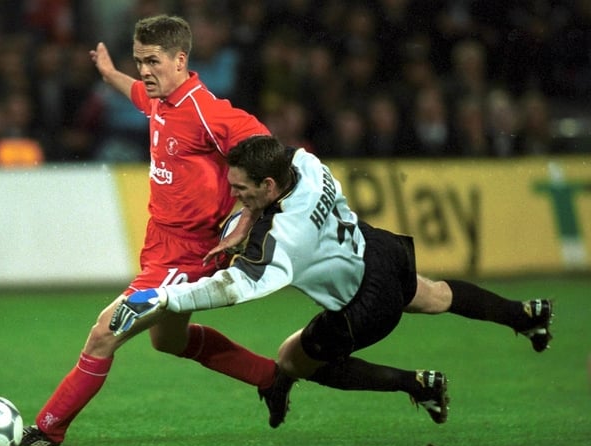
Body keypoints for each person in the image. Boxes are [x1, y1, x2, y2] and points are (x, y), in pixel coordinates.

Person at [110, 135, 554, 429]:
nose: (236, 198)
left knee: (290, 361)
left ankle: (420, 384)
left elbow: (231, 288)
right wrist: (248, 215)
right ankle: (525, 314)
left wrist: (162, 296)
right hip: (377, 252)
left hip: (362, 302)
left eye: (243, 190)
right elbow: (280, 166)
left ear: (267, 184)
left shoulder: (285, 239)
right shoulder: (305, 163)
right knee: (436, 295)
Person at [20, 15, 276, 446]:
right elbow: (137, 94)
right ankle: (270, 376)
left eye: (152, 61)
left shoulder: (207, 111)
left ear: (180, 60)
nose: (144, 71)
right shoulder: (160, 97)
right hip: (159, 245)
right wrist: (108, 73)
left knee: (104, 332)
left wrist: (246, 219)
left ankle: (48, 428)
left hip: (188, 254)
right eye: (139, 61)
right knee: (168, 341)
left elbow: (268, 152)